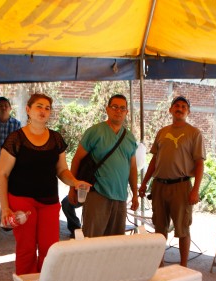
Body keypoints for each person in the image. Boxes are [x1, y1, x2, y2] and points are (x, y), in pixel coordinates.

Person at [0, 93, 89, 275]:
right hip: (21, 200)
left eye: (47, 108)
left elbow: (62, 170)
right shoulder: (16, 139)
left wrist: (76, 182)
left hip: (49, 202)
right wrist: (6, 208)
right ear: (28, 110)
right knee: (26, 249)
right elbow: (2, 174)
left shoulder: (56, 139)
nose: (43, 111)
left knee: (50, 249)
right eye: (39, 106)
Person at [139, 96, 206, 267]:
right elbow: (154, 160)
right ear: (170, 110)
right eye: (176, 105)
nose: (180, 108)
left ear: (188, 112)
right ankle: (159, 266)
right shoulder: (162, 132)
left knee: (182, 229)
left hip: (181, 186)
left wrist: (195, 190)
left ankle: (183, 267)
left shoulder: (194, 133)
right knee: (159, 229)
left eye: (184, 106)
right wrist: (145, 182)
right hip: (159, 186)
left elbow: (199, 164)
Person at [69, 94, 138, 237]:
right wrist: (72, 188)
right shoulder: (95, 131)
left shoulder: (130, 137)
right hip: (97, 193)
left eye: (122, 108)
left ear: (126, 112)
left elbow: (132, 168)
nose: (118, 111)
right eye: (114, 107)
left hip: (120, 197)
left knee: (115, 242)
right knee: (92, 240)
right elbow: (76, 160)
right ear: (107, 109)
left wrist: (135, 195)